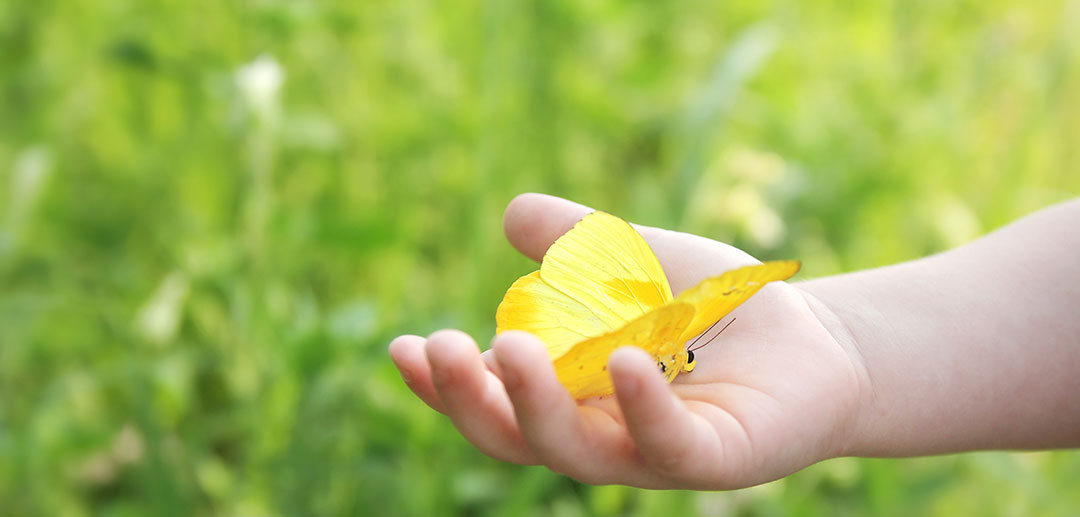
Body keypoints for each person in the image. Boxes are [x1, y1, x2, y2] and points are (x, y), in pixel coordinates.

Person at [388, 193, 1080, 490]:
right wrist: (853, 349)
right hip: (587, 353)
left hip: (579, 343)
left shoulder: (675, 336)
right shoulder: (672, 336)